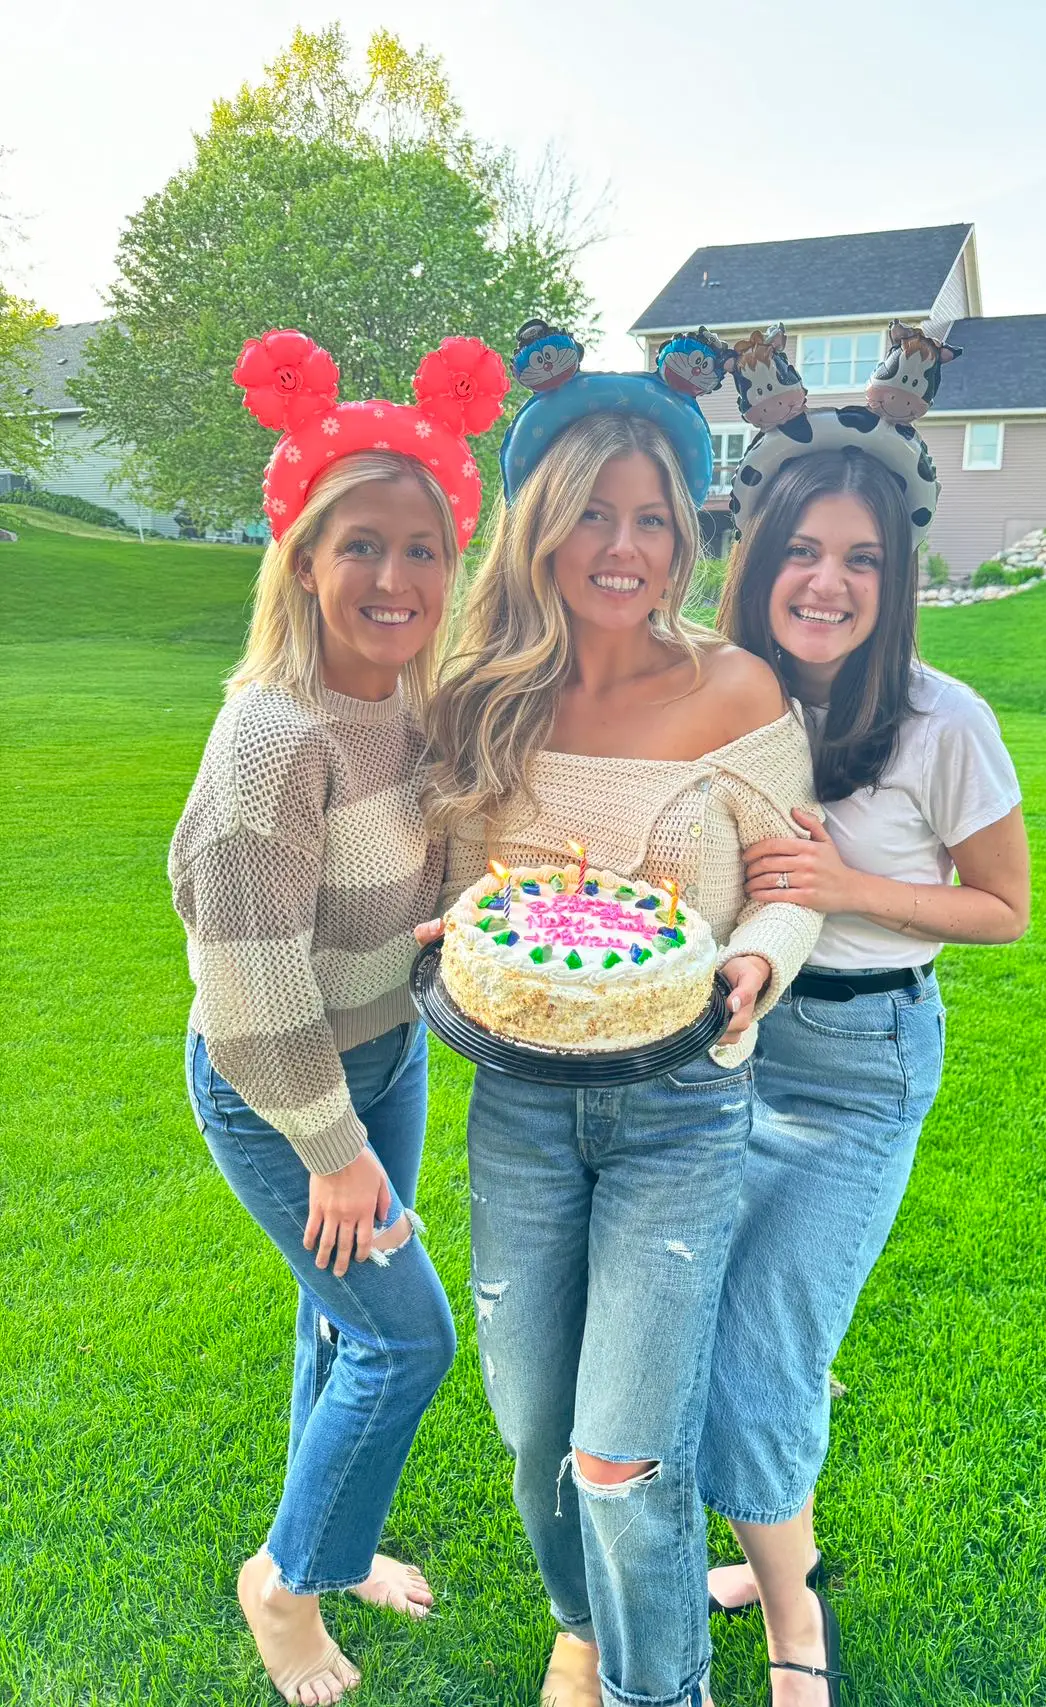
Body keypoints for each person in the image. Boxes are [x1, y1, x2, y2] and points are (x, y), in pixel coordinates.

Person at [418, 325, 822, 1707]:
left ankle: (663, 1690)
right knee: (537, 1434)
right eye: (593, 509)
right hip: (519, 1105)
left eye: (653, 516)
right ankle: (580, 1616)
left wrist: (759, 961)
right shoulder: (484, 699)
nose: (624, 543)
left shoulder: (735, 688)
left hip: (684, 1107)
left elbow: (790, 879)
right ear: (540, 520)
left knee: (623, 1451)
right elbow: (470, 898)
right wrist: (446, 934)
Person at [170, 329, 507, 1705]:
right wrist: (330, 1146)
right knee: (401, 1336)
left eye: (422, 549)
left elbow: (445, 874)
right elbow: (246, 981)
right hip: (280, 1086)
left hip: (386, 1056)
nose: (394, 577)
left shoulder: (421, 709)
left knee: (338, 1325)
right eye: (358, 544)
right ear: (303, 558)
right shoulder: (272, 736)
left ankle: (342, 1542)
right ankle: (288, 1583)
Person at [697, 330, 1031, 1707]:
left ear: (893, 582)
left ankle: (794, 1627)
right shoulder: (720, 704)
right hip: (719, 1051)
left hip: (859, 1067)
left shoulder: (943, 720)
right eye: (801, 550)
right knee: (715, 1328)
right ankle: (765, 1537)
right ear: (757, 556)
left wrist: (845, 885)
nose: (826, 581)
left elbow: (1003, 906)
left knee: (768, 1346)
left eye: (862, 560)